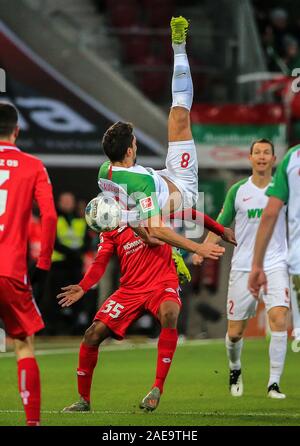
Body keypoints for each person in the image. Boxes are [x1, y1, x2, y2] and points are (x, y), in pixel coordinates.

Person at [97, 16, 228, 260]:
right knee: (180, 114)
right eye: (134, 143)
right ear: (128, 151)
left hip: (159, 181)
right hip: (182, 188)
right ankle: (174, 258)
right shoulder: (140, 184)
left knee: (178, 114)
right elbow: (157, 226)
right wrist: (198, 247)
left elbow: (132, 212)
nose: (135, 144)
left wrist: (145, 235)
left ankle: (179, 46)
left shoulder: (105, 172)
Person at [57, 225, 186, 412]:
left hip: (162, 282)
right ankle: (83, 401)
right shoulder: (110, 230)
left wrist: (204, 243)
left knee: (170, 314)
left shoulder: (147, 205)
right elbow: (100, 262)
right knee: (92, 334)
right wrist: (84, 286)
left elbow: (178, 211)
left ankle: (157, 387)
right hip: (130, 290)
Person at [199, 139, 290, 399]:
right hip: (242, 267)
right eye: (257, 153)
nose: (262, 157)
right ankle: (235, 367)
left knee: (279, 318)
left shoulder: (284, 190)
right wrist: (202, 249)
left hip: (275, 263)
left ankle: (274, 383)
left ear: (274, 159)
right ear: (250, 158)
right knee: (235, 333)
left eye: (266, 153)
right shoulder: (238, 191)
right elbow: (221, 223)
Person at [0, 102, 57, 425]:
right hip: (9, 270)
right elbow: (48, 215)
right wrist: (44, 265)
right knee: (23, 344)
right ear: (16, 131)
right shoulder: (33, 165)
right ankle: (32, 422)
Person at [249, 143, 300, 336]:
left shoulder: (293, 157)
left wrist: (256, 265)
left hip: (295, 261)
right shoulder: (238, 190)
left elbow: (270, 213)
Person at [45, 192, 91, 335]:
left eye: (69, 201)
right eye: (64, 201)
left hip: (75, 265)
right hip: (59, 264)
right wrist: (73, 253)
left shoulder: (81, 220)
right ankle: (53, 327)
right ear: (59, 202)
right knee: (56, 297)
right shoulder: (55, 219)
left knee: (77, 296)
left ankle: (76, 327)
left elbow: (87, 241)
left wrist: (78, 254)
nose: (67, 204)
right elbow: (53, 242)